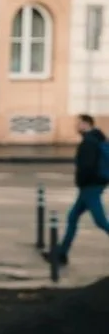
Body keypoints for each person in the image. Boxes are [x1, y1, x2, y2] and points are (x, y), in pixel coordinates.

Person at [54, 113, 109, 267]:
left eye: (78, 124)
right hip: (91, 186)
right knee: (72, 217)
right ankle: (62, 253)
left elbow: (87, 166)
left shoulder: (89, 142)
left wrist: (82, 180)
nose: (76, 127)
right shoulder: (97, 139)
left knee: (101, 221)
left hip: (90, 187)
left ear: (86, 124)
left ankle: (61, 254)